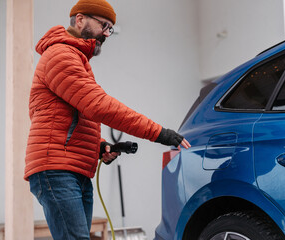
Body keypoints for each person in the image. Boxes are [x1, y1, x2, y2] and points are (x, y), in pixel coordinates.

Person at [24, 0, 191, 239]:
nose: (106, 34)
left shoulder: (76, 59)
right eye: (104, 25)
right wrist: (159, 132)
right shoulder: (60, 55)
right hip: (57, 168)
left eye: (110, 28)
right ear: (80, 19)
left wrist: (99, 145)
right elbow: (99, 106)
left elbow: (72, 116)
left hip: (75, 168)